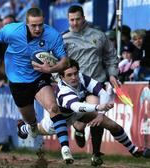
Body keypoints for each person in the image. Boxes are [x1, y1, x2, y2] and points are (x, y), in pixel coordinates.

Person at [0, 7, 72, 163]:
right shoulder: (12, 31)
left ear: (44, 21)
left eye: (40, 25)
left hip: (39, 76)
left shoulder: (53, 35)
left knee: (53, 108)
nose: (38, 29)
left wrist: (50, 69)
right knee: (31, 121)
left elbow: (65, 61)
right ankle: (28, 126)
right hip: (18, 82)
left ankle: (65, 149)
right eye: (33, 25)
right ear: (26, 23)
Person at [19, 59, 150, 164]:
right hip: (60, 119)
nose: (74, 77)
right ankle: (23, 128)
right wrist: (98, 108)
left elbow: (103, 93)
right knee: (37, 130)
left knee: (113, 125)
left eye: (75, 73)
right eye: (69, 75)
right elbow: (76, 106)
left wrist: (100, 115)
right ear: (61, 77)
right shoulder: (63, 91)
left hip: (79, 113)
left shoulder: (81, 77)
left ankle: (134, 150)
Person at [62, 5, 119, 166]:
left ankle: (95, 153)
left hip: (96, 81)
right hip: (75, 85)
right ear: (68, 20)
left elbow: (111, 57)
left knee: (97, 114)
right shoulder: (63, 39)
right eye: (71, 20)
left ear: (84, 18)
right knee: (77, 116)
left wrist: (112, 74)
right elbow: (58, 64)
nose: (75, 22)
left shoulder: (99, 35)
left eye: (77, 19)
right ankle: (79, 127)